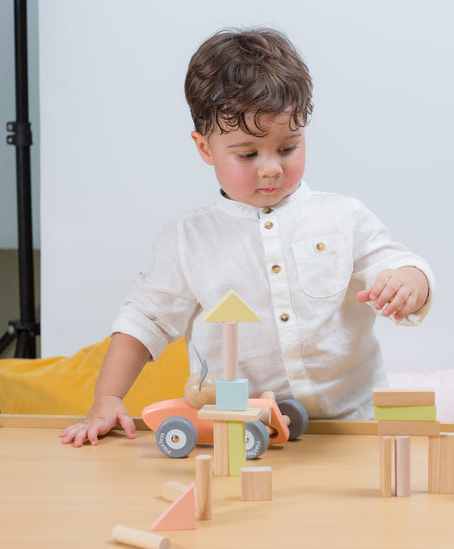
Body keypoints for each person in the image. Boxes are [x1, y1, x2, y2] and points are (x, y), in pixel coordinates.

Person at [60, 27, 434, 447]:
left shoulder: (342, 216)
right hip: (240, 431)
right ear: (205, 149)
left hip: (350, 431)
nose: (271, 168)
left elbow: (397, 262)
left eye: (288, 147)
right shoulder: (189, 239)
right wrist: (107, 397)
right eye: (248, 154)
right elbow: (144, 321)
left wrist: (409, 283)